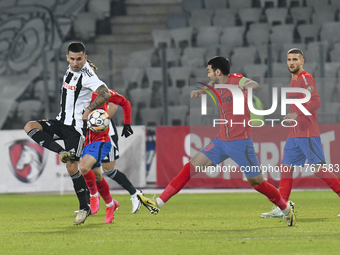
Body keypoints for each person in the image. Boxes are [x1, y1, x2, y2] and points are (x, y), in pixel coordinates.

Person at [137, 56, 296, 226]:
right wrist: (201, 91)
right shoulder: (217, 83)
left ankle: (286, 210)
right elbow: (211, 84)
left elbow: (254, 84)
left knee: (258, 183)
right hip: (220, 142)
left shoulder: (237, 79)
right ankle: (158, 203)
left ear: (218, 72)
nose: (208, 75)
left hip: (241, 144)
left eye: (209, 71)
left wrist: (244, 85)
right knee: (189, 168)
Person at [24, 42, 112, 225]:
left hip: (76, 129)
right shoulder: (70, 68)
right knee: (30, 126)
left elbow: (105, 93)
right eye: (72, 59)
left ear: (85, 58)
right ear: (67, 58)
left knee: (72, 167)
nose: (75, 63)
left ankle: (84, 207)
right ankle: (61, 152)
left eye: (79, 59)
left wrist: (88, 109)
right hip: (60, 121)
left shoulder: (88, 76)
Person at [261, 48, 340, 218]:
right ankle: (283, 207)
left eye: (295, 59)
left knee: (319, 169)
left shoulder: (306, 78)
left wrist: (297, 114)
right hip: (295, 133)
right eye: (289, 59)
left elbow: (316, 101)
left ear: (302, 61)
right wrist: (292, 117)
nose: (292, 62)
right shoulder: (293, 81)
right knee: (286, 167)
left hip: (308, 133)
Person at [79, 60, 142, 216]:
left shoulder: (101, 91)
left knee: (106, 170)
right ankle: (97, 203)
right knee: (92, 170)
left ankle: (135, 194)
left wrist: (102, 121)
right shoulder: (78, 93)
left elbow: (117, 104)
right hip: (88, 137)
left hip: (105, 136)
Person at [78, 83, 134, 223]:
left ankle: (93, 196)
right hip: (85, 141)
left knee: (84, 167)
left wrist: (126, 123)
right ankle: (111, 204)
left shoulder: (103, 92)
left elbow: (123, 102)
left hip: (101, 140)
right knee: (97, 177)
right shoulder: (74, 94)